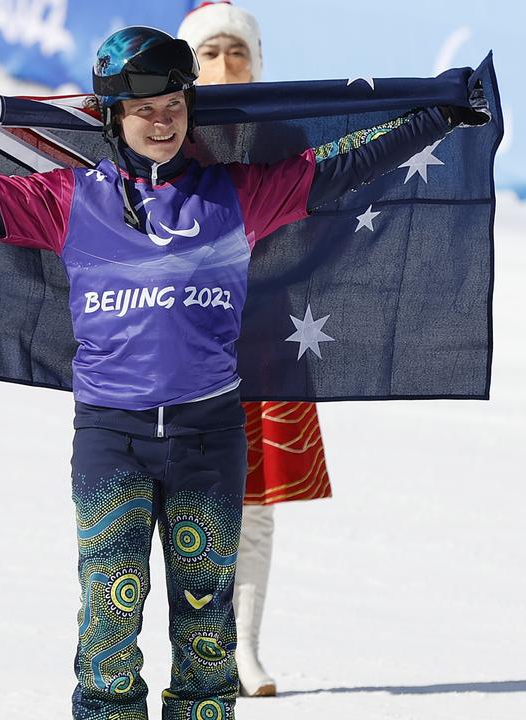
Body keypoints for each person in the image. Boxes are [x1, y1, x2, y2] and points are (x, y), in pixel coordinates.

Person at [0, 25, 486, 720]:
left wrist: (441, 114)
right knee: (109, 626)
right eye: (145, 109)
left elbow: (344, 165)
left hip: (208, 437)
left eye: (175, 106)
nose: (163, 121)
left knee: (206, 633)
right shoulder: (69, 197)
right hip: (111, 438)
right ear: (114, 116)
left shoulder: (237, 195)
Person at [177, 0, 332, 697]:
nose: (225, 64)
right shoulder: (159, 135)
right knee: (179, 498)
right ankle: (194, 643)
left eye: (237, 52)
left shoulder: (286, 137)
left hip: (264, 337)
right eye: (209, 53)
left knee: (254, 504)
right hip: (176, 337)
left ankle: (244, 648)